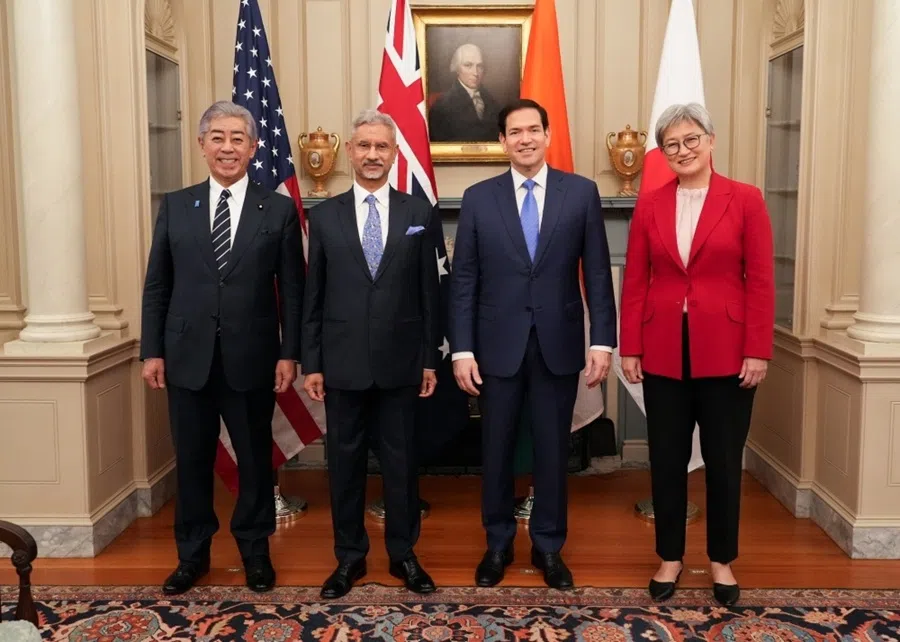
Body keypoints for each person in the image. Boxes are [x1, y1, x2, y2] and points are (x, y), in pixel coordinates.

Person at [449, 98, 617, 590]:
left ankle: (548, 547)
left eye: (532, 130)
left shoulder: (580, 194)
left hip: (559, 345)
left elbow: (600, 275)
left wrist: (602, 342)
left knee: (551, 452)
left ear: (547, 135)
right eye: (514, 132)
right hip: (495, 348)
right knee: (496, 450)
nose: (524, 138)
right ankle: (497, 544)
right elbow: (465, 281)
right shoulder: (479, 198)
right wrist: (462, 350)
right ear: (502, 141)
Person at [140, 101, 304, 595]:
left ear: (254, 148)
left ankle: (255, 554)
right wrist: (152, 350)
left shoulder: (276, 208)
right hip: (186, 358)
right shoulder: (176, 204)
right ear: (202, 144)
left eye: (238, 138)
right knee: (191, 462)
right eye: (218, 137)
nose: (227, 147)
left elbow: (292, 289)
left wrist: (289, 352)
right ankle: (192, 556)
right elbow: (157, 286)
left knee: (255, 461)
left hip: (251, 359)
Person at [619, 103, 775, 607]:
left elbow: (762, 282)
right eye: (671, 144)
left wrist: (757, 349)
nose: (682, 150)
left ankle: (721, 561)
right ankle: (669, 557)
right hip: (662, 350)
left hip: (729, 354)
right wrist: (631, 346)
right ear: (662, 152)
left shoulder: (745, 199)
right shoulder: (651, 202)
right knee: (665, 460)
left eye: (691, 140)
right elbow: (637, 279)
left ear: (710, 140)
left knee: (724, 461)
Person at [302, 109, 440, 599]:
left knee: (402, 468)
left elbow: (429, 295)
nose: (373, 155)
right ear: (350, 152)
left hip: (402, 364)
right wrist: (311, 361)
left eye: (382, 147)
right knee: (344, 467)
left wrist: (429, 360)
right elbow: (311, 296)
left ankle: (404, 556)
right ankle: (349, 559)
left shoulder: (418, 213)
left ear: (395, 152)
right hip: (340, 366)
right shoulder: (322, 216)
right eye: (364, 146)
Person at [428, 43, 500, 142]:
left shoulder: (494, 103)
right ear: (457, 69)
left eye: (479, 66)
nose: (475, 73)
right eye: (468, 65)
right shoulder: (442, 106)